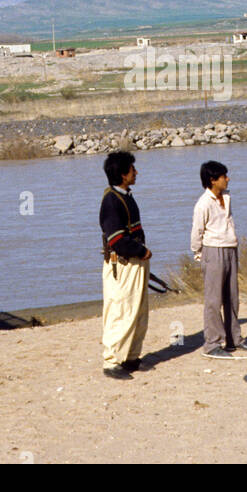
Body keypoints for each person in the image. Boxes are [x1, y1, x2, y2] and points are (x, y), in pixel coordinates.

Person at [190, 160, 247, 358]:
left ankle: (233, 339)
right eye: (223, 176)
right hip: (213, 251)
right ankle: (212, 344)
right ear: (212, 180)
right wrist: (199, 253)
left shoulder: (226, 197)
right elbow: (197, 231)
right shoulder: (203, 204)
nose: (227, 179)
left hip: (230, 248)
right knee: (214, 299)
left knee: (232, 296)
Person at [99, 151, 151, 380]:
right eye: (132, 169)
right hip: (123, 265)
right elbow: (117, 240)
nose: (136, 173)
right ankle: (112, 362)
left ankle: (130, 356)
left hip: (135, 263)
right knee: (121, 312)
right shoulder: (111, 201)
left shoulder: (125, 195)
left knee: (138, 311)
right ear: (122, 174)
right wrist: (142, 251)